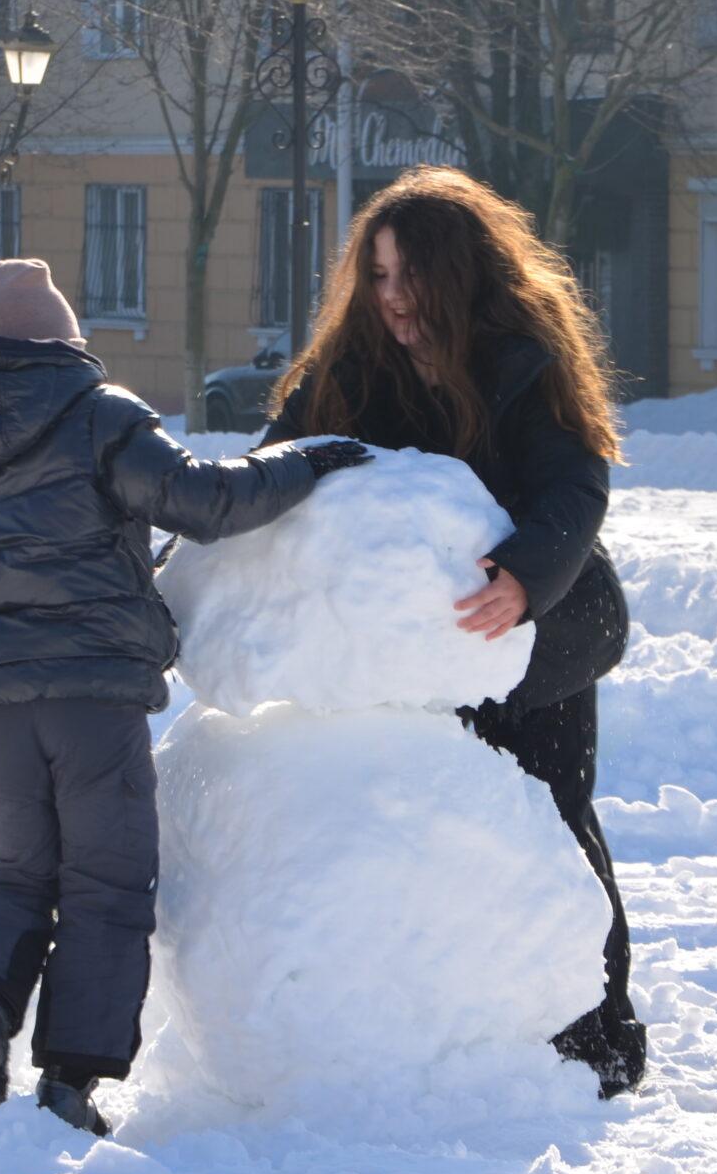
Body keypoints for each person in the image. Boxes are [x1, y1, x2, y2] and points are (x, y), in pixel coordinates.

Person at [0, 258, 370, 1135]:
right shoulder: (99, 418)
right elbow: (204, 501)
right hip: (94, 700)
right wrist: (301, 462)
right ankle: (68, 1083)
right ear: (65, 342)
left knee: (17, 873)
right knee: (106, 884)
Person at [261, 167, 645, 1098]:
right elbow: (270, 472)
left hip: (538, 635)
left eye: (410, 277)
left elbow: (574, 487)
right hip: (417, 657)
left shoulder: (523, 355)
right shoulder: (348, 368)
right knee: (436, 833)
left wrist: (523, 576)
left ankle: (600, 1035)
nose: (391, 298)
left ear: (459, 274)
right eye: (377, 276)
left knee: (552, 824)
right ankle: (453, 1028)